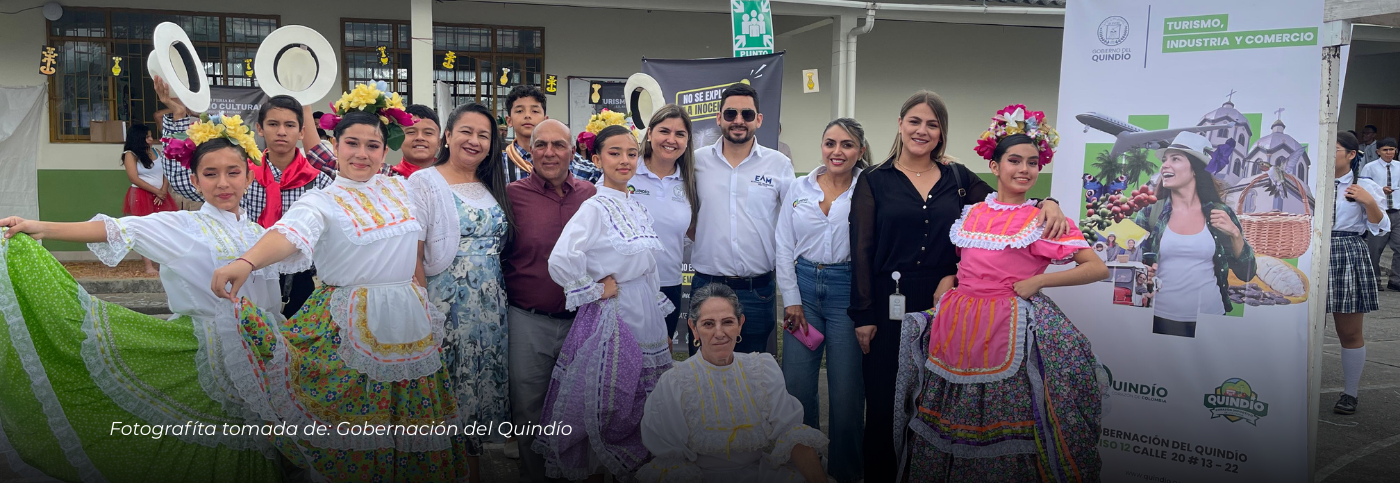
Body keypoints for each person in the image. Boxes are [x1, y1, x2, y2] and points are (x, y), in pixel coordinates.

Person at [209, 83, 472, 482]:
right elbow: (290, 234)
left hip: (409, 319)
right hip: (346, 324)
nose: (362, 154)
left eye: (373, 146)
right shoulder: (322, 200)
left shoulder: (404, 190)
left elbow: (417, 249)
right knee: (357, 420)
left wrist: (422, 293)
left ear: (385, 152)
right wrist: (247, 261)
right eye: (352, 143)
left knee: (410, 416)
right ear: (334, 145)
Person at [0, 126, 282, 482]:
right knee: (213, 440)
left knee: (260, 439)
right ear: (194, 181)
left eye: (233, 172)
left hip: (262, 351)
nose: (223, 183)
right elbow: (121, 229)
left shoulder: (259, 234)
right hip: (204, 352)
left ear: (248, 177)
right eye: (210, 174)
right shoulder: (184, 226)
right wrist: (40, 227)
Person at [848, 95, 1068, 483]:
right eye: (915, 121)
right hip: (888, 301)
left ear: (941, 133)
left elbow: (1007, 202)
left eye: (932, 124)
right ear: (900, 124)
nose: (922, 131)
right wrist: (864, 315)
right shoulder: (874, 179)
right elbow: (861, 249)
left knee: (932, 402)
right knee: (884, 402)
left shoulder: (958, 177)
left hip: (945, 303)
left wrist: (1048, 202)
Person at [894, 106, 1107, 481]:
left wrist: (1039, 282)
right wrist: (947, 290)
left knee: (1006, 415)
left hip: (1008, 327)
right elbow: (962, 265)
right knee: (953, 411)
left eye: (1032, 162)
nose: (1024, 170)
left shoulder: (1042, 219)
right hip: (958, 325)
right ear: (994, 167)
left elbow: (1096, 267)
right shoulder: (973, 212)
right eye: (1014, 160)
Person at [534, 125, 674, 480]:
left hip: (645, 311)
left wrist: (658, 313)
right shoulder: (594, 207)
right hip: (616, 312)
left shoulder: (635, 204)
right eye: (614, 153)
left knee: (646, 399)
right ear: (596, 159)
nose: (624, 160)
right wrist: (596, 290)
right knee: (612, 400)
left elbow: (649, 265)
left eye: (630, 153)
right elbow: (561, 259)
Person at [407, 102, 516, 482]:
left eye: (483, 135)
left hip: (490, 308)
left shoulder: (491, 184)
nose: (474, 141)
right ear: (447, 136)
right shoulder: (424, 182)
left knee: (479, 403)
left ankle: (471, 472)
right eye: (466, 132)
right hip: (445, 306)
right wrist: (423, 309)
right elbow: (413, 253)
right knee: (446, 398)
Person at [638, 283, 829, 483]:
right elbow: (670, 460)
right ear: (694, 328)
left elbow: (792, 432)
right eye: (708, 324)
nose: (719, 333)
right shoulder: (675, 382)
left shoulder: (762, 369)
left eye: (728, 322)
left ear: (740, 324)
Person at [502, 118, 596, 483]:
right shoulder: (511, 195)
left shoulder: (591, 194)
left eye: (559, 145)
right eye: (541, 145)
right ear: (530, 150)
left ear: (573, 152)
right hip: (528, 320)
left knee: (578, 409)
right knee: (528, 410)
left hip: (580, 321)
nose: (549, 152)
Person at [774, 117, 868, 483]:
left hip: (847, 291)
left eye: (846, 145)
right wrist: (792, 300)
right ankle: (805, 466)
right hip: (805, 290)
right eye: (830, 143)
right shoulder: (799, 188)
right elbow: (783, 246)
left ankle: (847, 472)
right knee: (797, 384)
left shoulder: (868, 189)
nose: (837, 151)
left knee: (846, 391)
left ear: (859, 150)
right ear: (822, 146)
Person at [692, 82, 795, 354]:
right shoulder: (696, 162)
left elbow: (792, 221)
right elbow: (685, 214)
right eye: (730, 114)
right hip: (707, 285)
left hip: (756, 289)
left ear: (758, 120)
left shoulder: (779, 164)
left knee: (753, 377)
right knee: (703, 378)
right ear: (719, 118)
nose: (738, 121)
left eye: (747, 114)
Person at [1133, 132, 1255, 338]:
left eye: (1175, 159)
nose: (1165, 165)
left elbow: (1247, 273)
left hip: (1210, 318)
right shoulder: (1148, 212)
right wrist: (1142, 273)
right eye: (1165, 160)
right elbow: (1128, 261)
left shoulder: (1219, 213)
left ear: (1196, 169)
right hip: (1157, 317)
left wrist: (1235, 235)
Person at [1330, 131, 1390, 415]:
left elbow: (1381, 226)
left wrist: (1368, 201)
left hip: (1348, 250)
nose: (1328, 153)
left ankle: (1350, 393)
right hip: (1309, 250)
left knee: (1349, 331)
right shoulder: (1306, 181)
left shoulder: (1365, 184)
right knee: (1296, 328)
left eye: (1335, 148)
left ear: (1351, 154)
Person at [632, 104, 700, 346]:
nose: (671, 140)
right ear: (649, 134)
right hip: (627, 286)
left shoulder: (691, 179)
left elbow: (693, 230)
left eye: (680, 134)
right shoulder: (627, 170)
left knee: (660, 361)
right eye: (664, 131)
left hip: (668, 286)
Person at [500, 85, 601, 183]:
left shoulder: (570, 160)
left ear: (545, 120)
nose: (527, 116)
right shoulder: (498, 165)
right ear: (509, 120)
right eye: (519, 111)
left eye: (535, 111)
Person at [120, 123, 175, 274]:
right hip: (142, 195)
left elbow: (166, 172)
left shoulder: (156, 151)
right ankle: (149, 266)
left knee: (164, 227)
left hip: (161, 195)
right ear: (138, 138)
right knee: (143, 229)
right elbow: (134, 178)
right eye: (147, 137)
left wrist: (163, 190)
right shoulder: (130, 154)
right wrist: (156, 191)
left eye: (151, 136)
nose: (151, 139)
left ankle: (165, 262)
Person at [1361, 137, 1400, 291]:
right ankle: (1375, 279)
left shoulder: (1399, 166)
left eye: (1392, 149)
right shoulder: (1370, 167)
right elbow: (1363, 187)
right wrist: (1379, 190)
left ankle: (1395, 280)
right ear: (1378, 152)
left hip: (1397, 212)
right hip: (1379, 213)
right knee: (1375, 249)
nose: (1389, 153)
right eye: (1385, 150)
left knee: (1399, 248)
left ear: (1396, 151)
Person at [389, 104, 442, 178]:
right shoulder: (385, 178)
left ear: (439, 142)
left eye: (428, 133)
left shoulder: (453, 178)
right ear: (399, 139)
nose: (420, 137)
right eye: (411, 132)